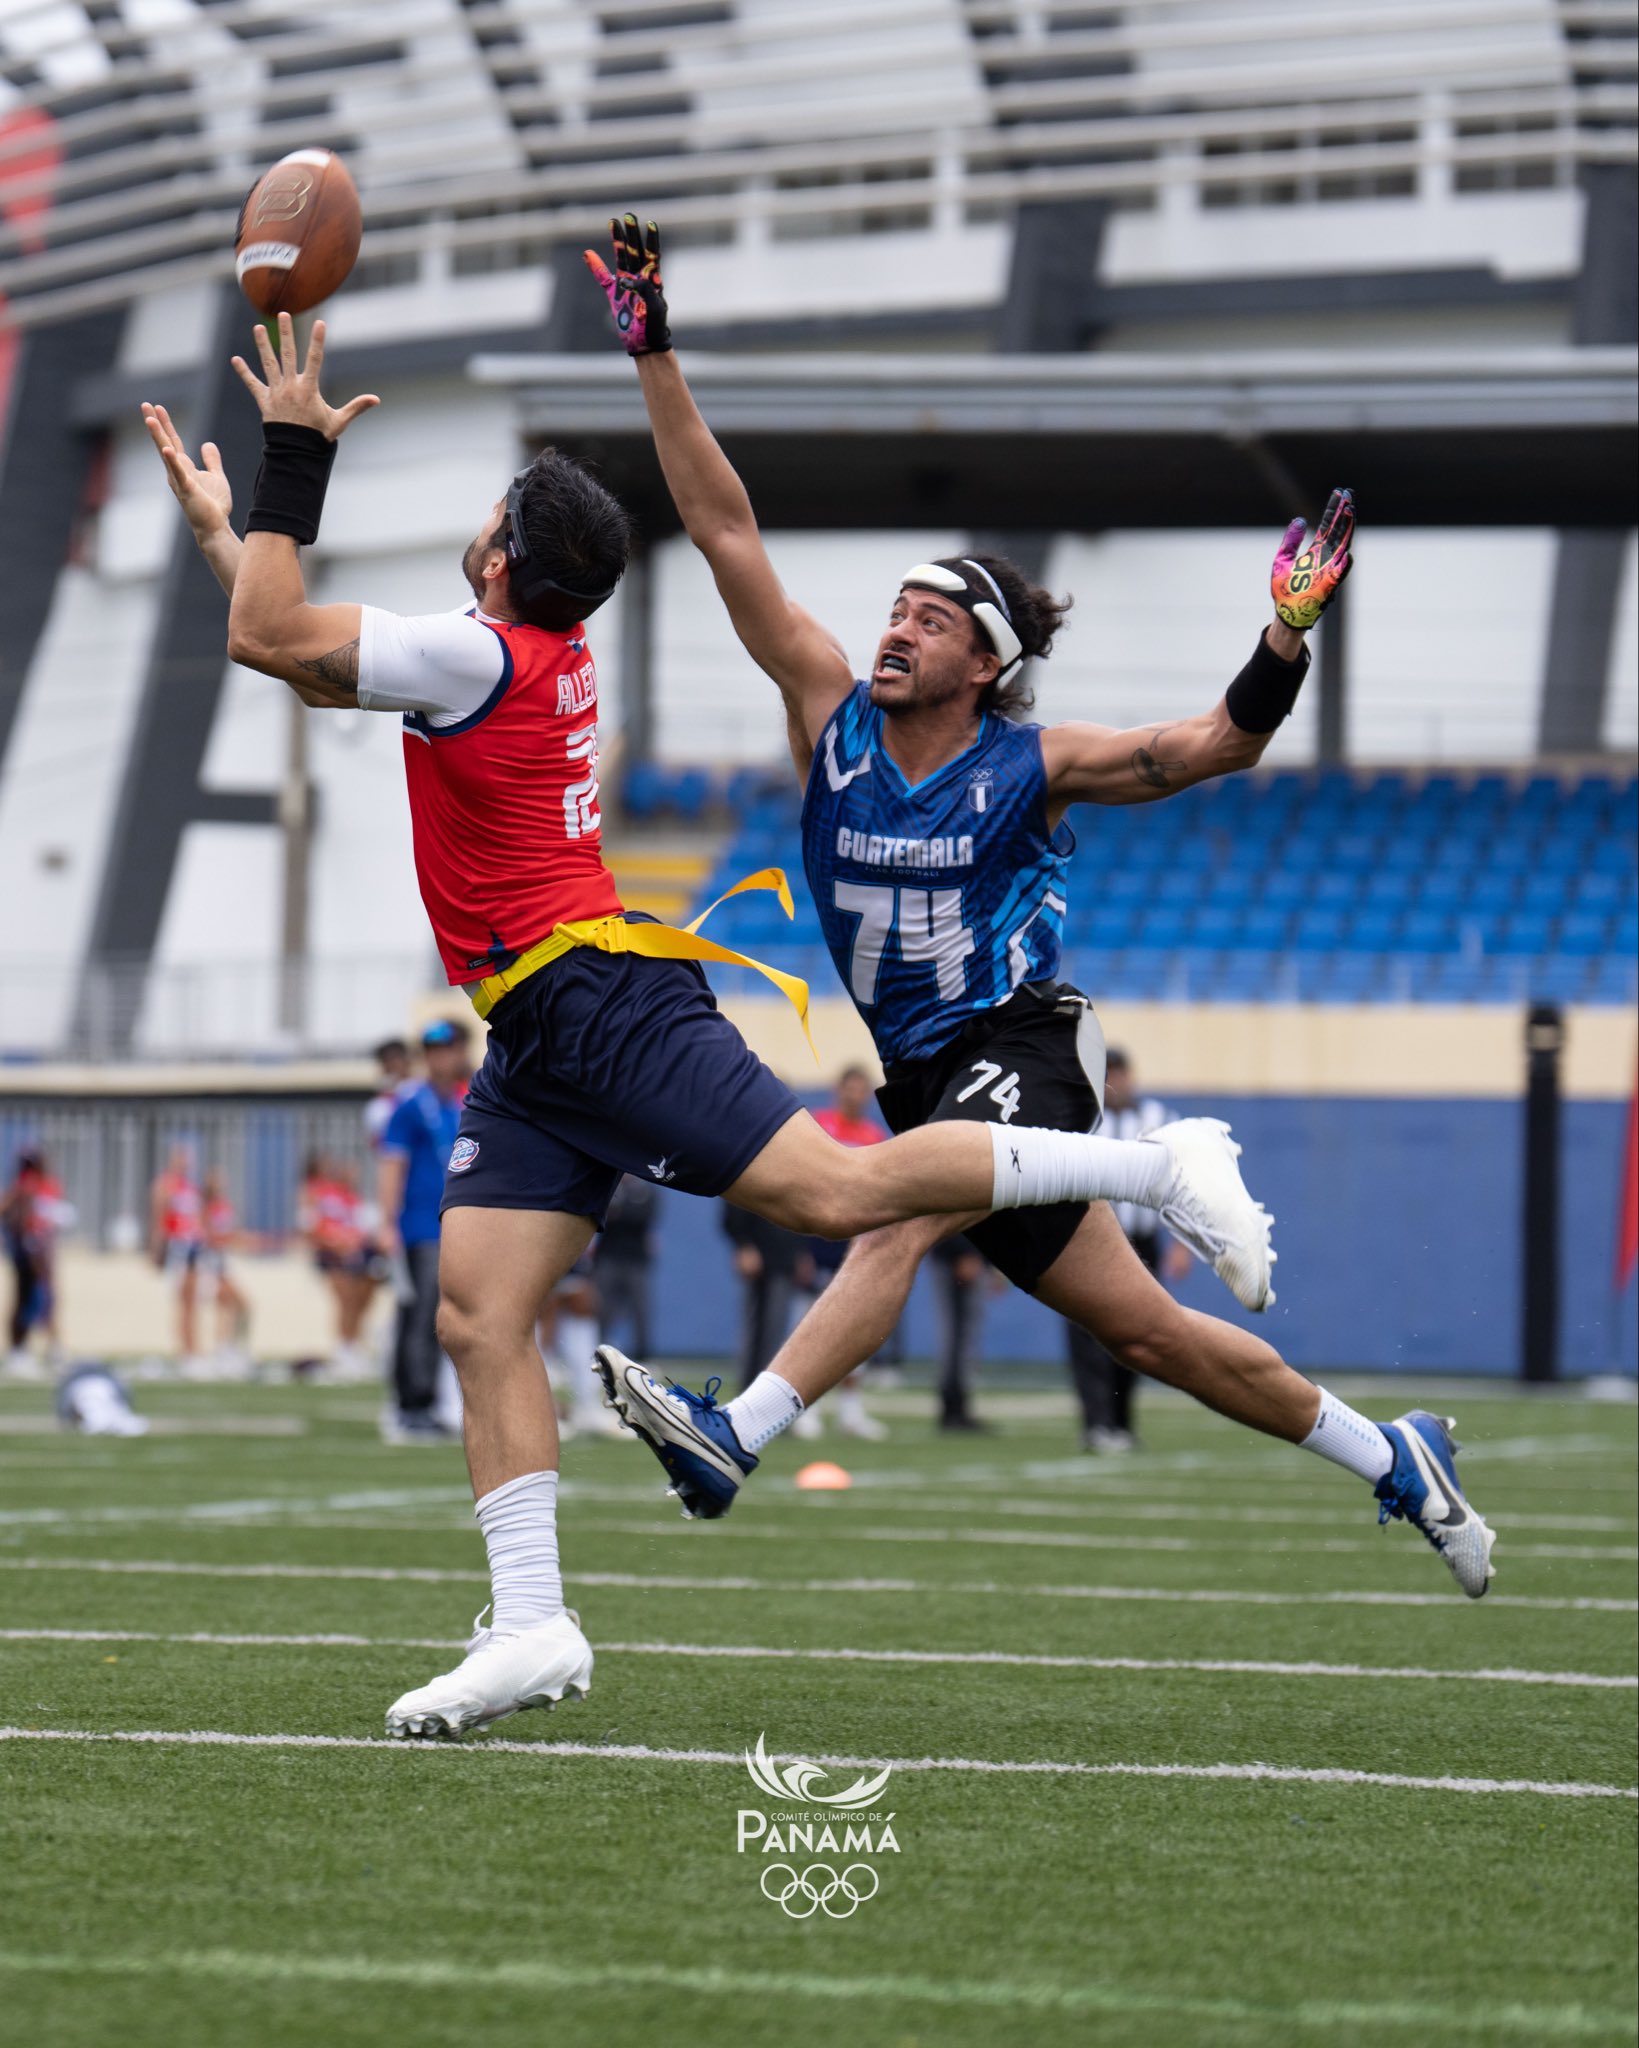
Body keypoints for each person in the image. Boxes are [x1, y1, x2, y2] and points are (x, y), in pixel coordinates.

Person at [145, 320, 1281, 1741]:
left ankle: (1157, 1167)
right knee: (477, 1312)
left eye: (486, 518)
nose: (477, 528)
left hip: (596, 998)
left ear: (500, 557)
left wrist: (289, 463)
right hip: (540, 1029)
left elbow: (270, 633)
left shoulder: (471, 650)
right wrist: (222, 533)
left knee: (845, 1190)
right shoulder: (511, 651)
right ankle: (532, 1621)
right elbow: (302, 659)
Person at [584, 214, 1495, 1608]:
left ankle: (731, 1437)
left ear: (982, 663)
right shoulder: (825, 718)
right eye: (889, 607)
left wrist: (1282, 638)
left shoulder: (1032, 761)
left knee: (893, 1217)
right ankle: (1394, 1459)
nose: (891, 627)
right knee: (1158, 1341)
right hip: (920, 1072)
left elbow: (1211, 749)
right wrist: (655, 350)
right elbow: (720, 525)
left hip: (1021, 1048)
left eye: (927, 618)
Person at [1063, 1047, 1193, 1452]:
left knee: (1138, 1334)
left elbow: (1181, 1182)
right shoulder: (1082, 1118)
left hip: (1142, 1242)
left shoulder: (1159, 1121)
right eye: (1108, 1074)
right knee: (1086, 1333)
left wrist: (1183, 1242)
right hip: (1087, 1240)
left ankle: (1121, 1421)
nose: (1115, 1083)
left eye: (1120, 1074)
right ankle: (1096, 1422)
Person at [377, 1020, 471, 1443]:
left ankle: (430, 1400)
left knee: (443, 1319)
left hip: (453, 1227)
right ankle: (408, 1405)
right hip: (418, 1227)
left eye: (449, 1049)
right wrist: (386, 1222)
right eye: (434, 1050)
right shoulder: (411, 1104)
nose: (442, 1058)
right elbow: (391, 1165)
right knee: (417, 1317)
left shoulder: (461, 1103)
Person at [797, 1066, 890, 1440]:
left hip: (856, 1247)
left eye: (862, 1089)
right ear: (839, 1090)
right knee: (808, 1328)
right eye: (850, 1088)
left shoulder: (873, 1136)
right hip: (818, 1244)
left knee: (855, 1327)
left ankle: (851, 1410)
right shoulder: (819, 1127)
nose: (856, 1095)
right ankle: (804, 1408)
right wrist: (800, 1249)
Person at [298, 1154, 377, 1381]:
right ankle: (344, 1349)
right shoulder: (317, 1192)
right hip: (330, 1254)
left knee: (357, 1299)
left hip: (351, 1254)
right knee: (345, 1298)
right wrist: (334, 1243)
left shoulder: (349, 1197)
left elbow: (358, 1227)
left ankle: (352, 1346)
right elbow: (312, 1224)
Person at [3, 1147, 68, 1379]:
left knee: (48, 1297)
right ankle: (18, 1349)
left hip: (44, 1249)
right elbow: (8, 1211)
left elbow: (53, 1218)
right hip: (27, 1250)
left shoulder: (49, 1186)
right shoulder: (22, 1186)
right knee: (24, 1298)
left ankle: (53, 1347)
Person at [148, 1144, 205, 1374]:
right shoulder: (165, 1185)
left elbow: (197, 1218)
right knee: (182, 1301)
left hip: (193, 1244)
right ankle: (185, 1352)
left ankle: (194, 1349)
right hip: (176, 1246)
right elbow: (158, 1219)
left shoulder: (190, 1187)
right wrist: (155, 1249)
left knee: (193, 1300)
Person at [928, 1233, 991, 1433]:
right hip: (955, 1255)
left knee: (964, 1335)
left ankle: (958, 1406)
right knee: (957, 1335)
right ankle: (953, 1408)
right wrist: (965, 1251)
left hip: (970, 1253)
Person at [592, 1174, 658, 1361]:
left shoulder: (645, 1190)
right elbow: (602, 1212)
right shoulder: (610, 1187)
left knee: (640, 1311)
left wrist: (619, 1212)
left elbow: (643, 1215)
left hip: (636, 1259)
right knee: (602, 1309)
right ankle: (599, 1353)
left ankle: (643, 1358)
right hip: (608, 1257)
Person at [198, 1168, 253, 1378]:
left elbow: (230, 1232)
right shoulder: (204, 1207)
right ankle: (225, 1351)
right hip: (211, 1261)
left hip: (223, 1260)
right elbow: (205, 1234)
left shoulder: (225, 1206)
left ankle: (228, 1349)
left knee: (232, 1306)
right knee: (234, 1304)